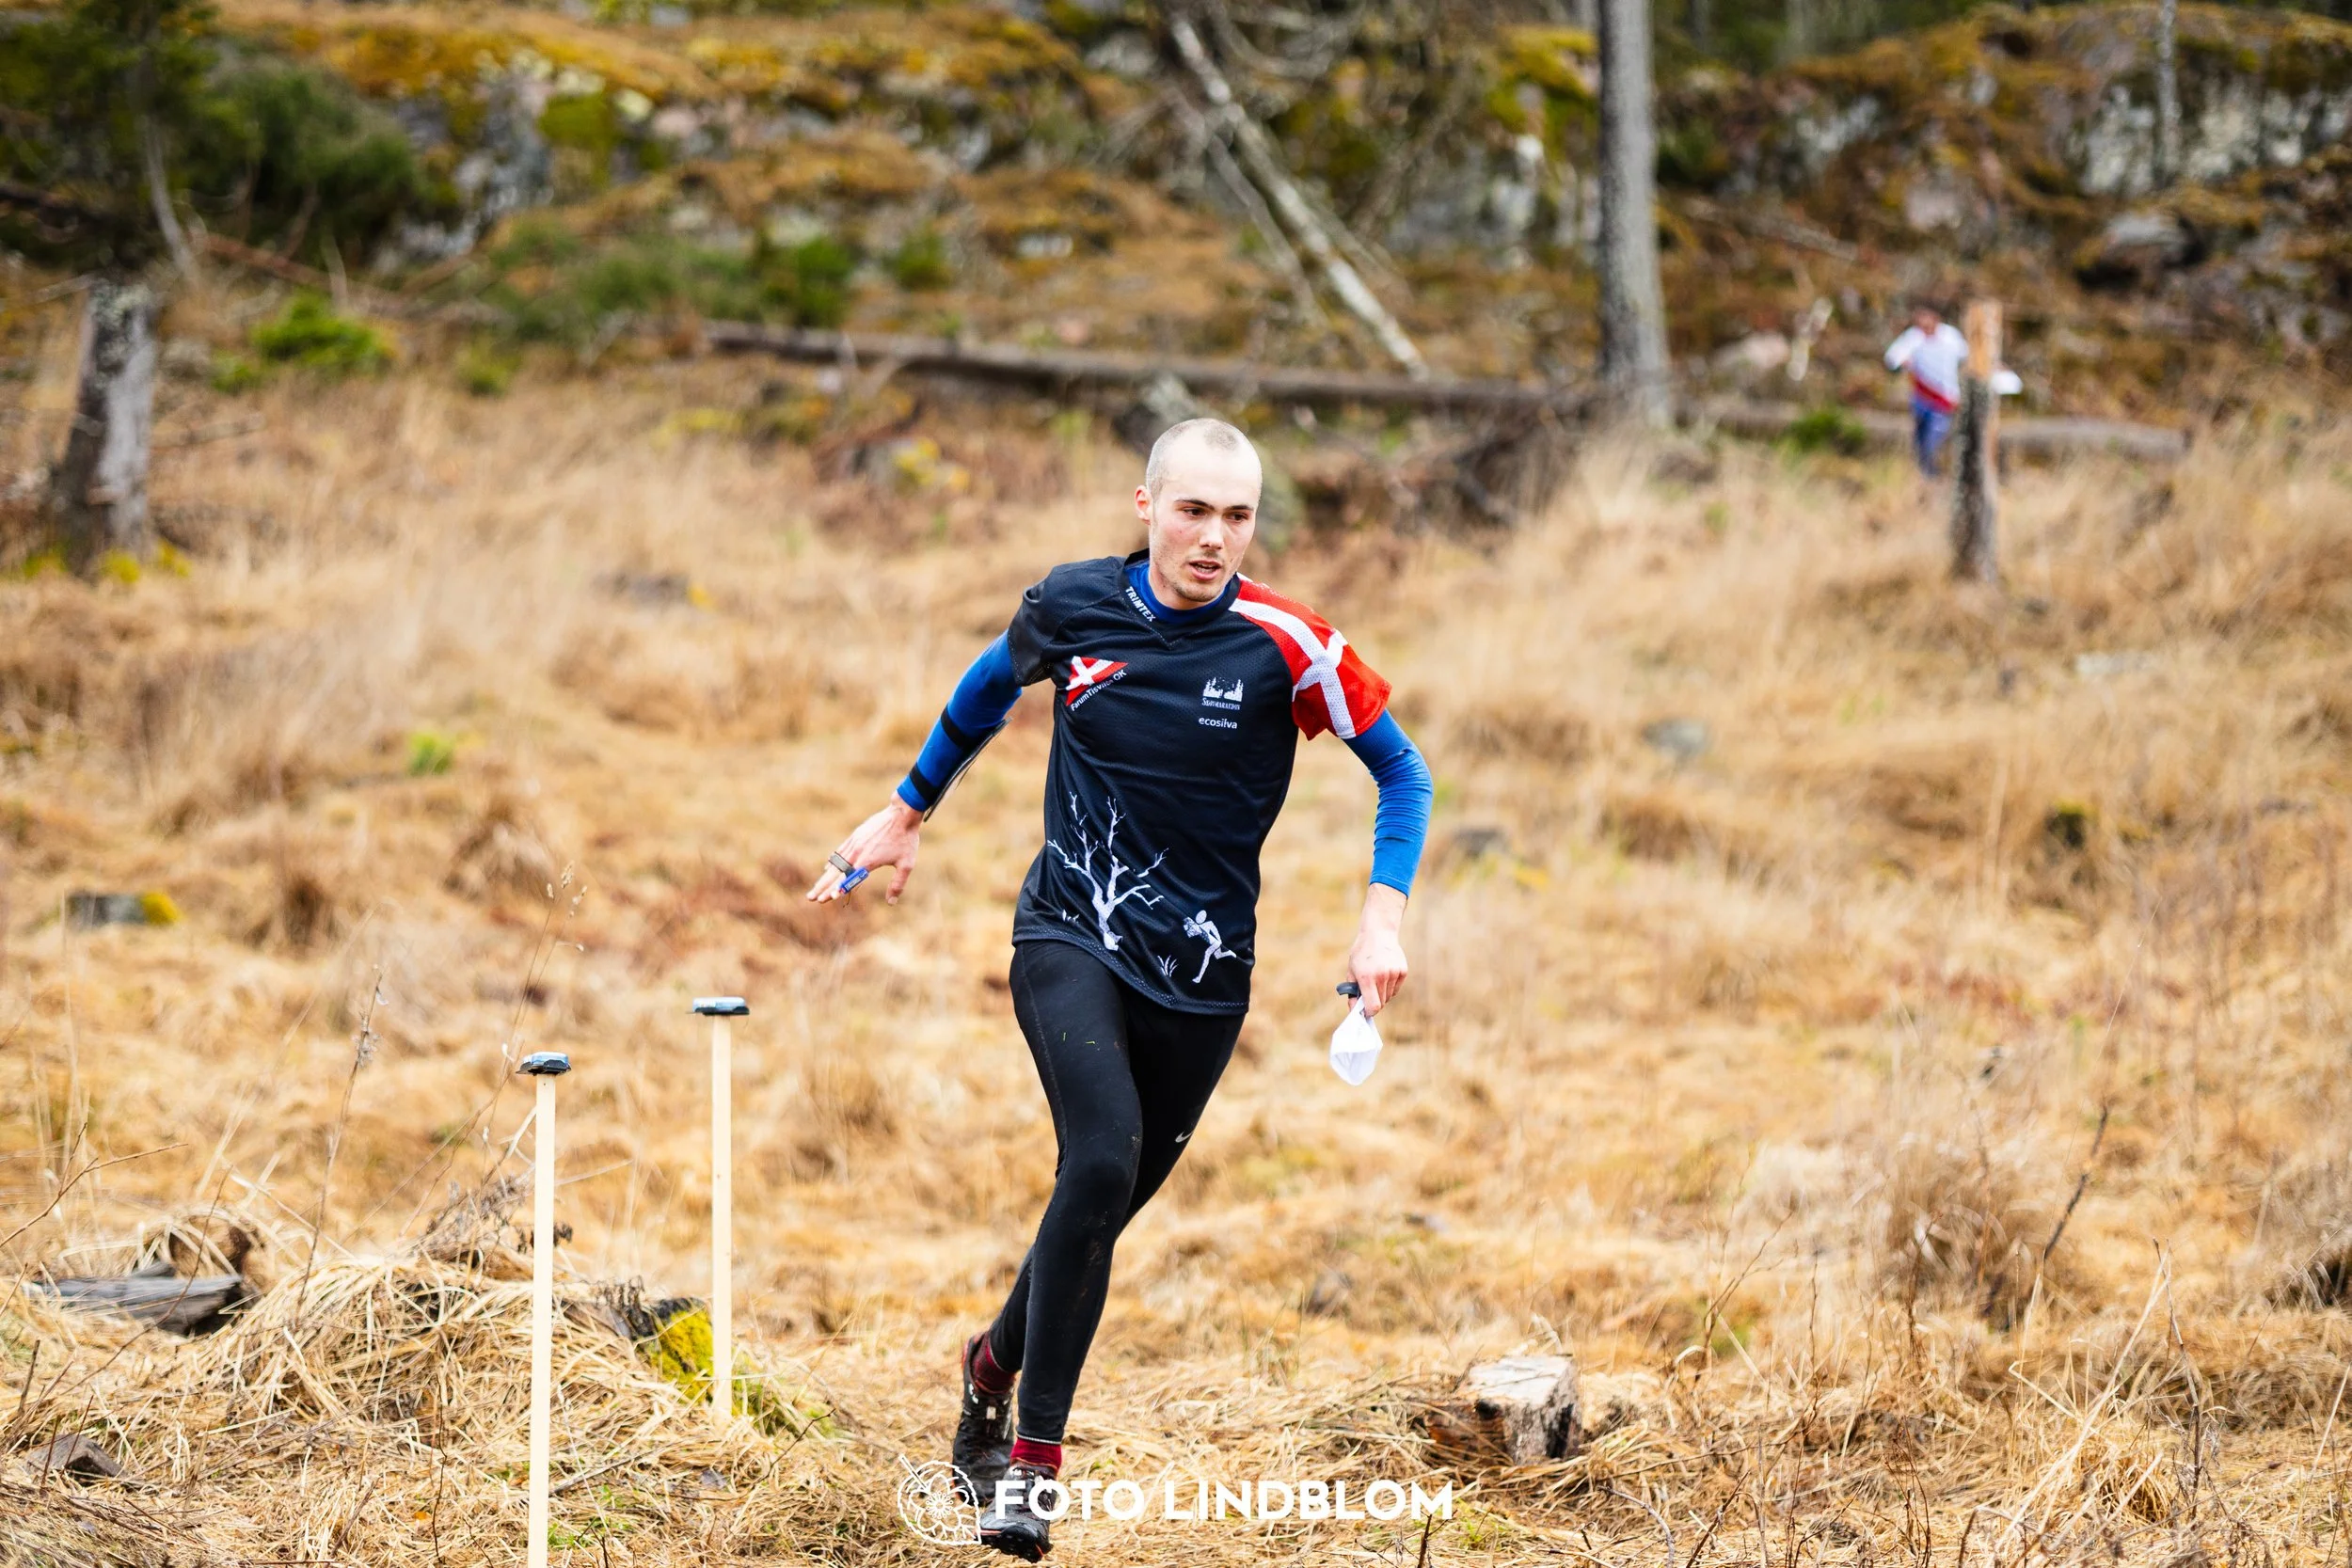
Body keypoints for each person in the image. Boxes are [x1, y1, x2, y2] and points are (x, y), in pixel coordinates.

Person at [804, 418, 1433, 1561]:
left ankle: (990, 1362)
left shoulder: (1287, 640)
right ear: (1147, 507)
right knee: (1095, 1161)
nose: (1214, 537)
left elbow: (1402, 768)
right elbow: (986, 690)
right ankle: (1031, 1470)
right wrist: (904, 811)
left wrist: (1380, 911)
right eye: (1193, 510)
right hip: (1068, 933)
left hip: (1203, 977)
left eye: (1237, 516)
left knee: (1096, 1213)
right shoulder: (1074, 605)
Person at [1883, 303, 1967, 478]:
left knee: (1934, 440)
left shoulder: (1951, 337)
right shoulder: (1914, 337)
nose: (1923, 323)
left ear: (1936, 318)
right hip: (1922, 397)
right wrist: (1903, 363)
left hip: (1944, 398)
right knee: (1920, 440)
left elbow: (1968, 357)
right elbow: (1892, 359)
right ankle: (1924, 476)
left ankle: (1935, 474)